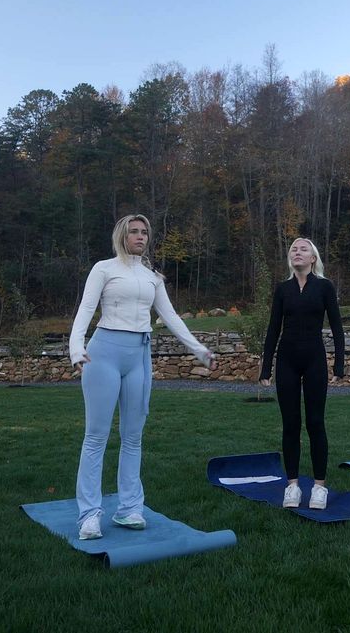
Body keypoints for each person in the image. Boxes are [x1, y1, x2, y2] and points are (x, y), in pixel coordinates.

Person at [69, 214, 214, 538]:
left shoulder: (152, 277)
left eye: (144, 232)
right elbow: (86, 308)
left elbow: (170, 316)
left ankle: (130, 509)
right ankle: (89, 515)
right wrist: (76, 349)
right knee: (96, 436)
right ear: (122, 235)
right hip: (103, 354)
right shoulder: (104, 269)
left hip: (139, 357)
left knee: (133, 438)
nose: (140, 236)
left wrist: (198, 350)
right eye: (134, 231)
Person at [258, 238, 345, 510]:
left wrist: (339, 364)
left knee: (315, 423)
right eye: (293, 249)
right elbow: (273, 329)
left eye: (303, 249)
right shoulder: (283, 289)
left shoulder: (324, 287)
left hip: (314, 360)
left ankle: (319, 487)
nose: (297, 252)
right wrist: (266, 367)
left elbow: (337, 327)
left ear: (313, 258)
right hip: (287, 360)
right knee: (291, 424)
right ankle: (292, 485)